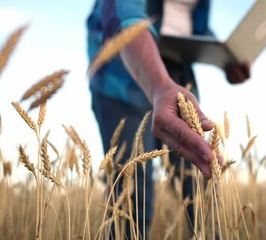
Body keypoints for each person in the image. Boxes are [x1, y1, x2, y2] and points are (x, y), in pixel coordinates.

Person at [86, 0, 250, 238]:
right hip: (122, 77)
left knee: (201, 185)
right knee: (133, 193)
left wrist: (227, 57)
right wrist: (159, 85)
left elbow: (190, 25)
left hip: (177, 74)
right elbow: (124, 13)